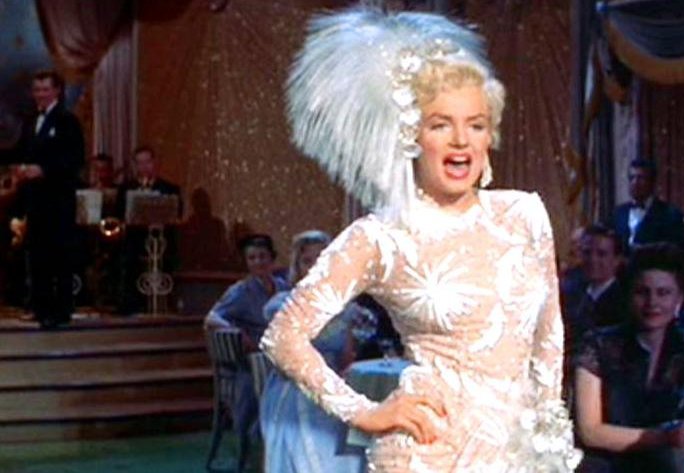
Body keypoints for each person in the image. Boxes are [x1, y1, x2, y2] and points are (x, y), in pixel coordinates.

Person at [261, 8, 580, 472]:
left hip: (519, 454)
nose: (461, 140)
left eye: (476, 124)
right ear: (413, 135)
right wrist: (365, 412)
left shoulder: (524, 213)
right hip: (429, 453)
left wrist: (547, 437)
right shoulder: (381, 236)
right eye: (440, 124)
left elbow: (549, 332)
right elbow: (283, 337)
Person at [573, 244, 684, 472]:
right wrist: (662, 437)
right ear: (629, 295)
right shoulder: (597, 345)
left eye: (663, 293)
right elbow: (590, 432)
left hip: (657, 463)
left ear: (679, 299)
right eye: (642, 292)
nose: (652, 303)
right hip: (599, 465)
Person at [260, 230, 364, 473]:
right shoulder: (284, 305)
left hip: (334, 385)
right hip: (294, 385)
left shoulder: (344, 307)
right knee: (309, 433)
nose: (315, 266)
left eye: (321, 258)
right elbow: (283, 363)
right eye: (307, 261)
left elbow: (347, 358)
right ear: (298, 266)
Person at [1, 70, 84, 329]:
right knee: (37, 254)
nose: (40, 94)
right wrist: (18, 167)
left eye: (45, 89)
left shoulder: (67, 121)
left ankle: (60, 311)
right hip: (35, 200)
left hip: (58, 201)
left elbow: (74, 160)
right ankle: (40, 306)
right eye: (37, 90)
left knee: (58, 255)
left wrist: (44, 170)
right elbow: (20, 152)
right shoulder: (30, 121)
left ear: (57, 90)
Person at [205, 234, 288, 451]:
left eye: (262, 256)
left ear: (272, 258)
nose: (258, 262)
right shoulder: (241, 291)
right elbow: (212, 318)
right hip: (253, 359)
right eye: (252, 258)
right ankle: (257, 435)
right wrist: (236, 332)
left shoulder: (283, 287)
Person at [116, 145, 182, 315]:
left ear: (154, 163)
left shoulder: (170, 189)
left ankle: (163, 307)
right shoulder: (126, 189)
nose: (144, 167)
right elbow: (119, 215)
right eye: (140, 163)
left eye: (147, 162)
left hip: (162, 244)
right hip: (135, 243)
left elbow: (177, 215)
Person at [611, 158, 684, 255]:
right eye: (631, 178)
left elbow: (680, 251)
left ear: (652, 182)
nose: (635, 182)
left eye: (641, 178)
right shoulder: (618, 213)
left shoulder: (670, 215)